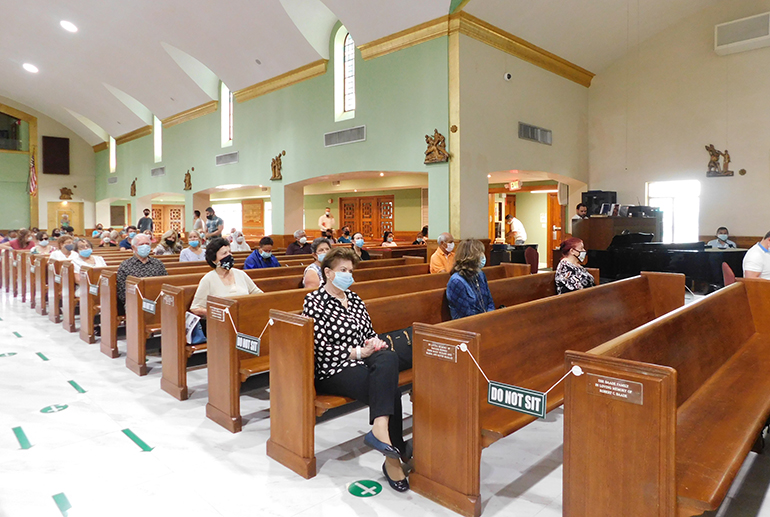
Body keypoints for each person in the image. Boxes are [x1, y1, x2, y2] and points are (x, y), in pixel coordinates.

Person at [301, 247, 409, 492]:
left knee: (389, 358)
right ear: (328, 273)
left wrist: (374, 343)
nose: (348, 275)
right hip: (334, 367)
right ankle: (394, 457)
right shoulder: (314, 301)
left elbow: (368, 333)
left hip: (363, 358)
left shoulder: (355, 299)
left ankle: (380, 430)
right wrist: (360, 352)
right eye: (342, 270)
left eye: (350, 271)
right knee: (388, 387)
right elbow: (320, 348)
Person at [189, 238, 262, 317]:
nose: (229, 255)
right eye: (224, 253)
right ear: (214, 260)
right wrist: (216, 313)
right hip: (221, 323)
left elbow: (259, 295)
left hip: (246, 317)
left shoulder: (241, 274)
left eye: (230, 252)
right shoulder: (208, 279)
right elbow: (195, 308)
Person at [116, 234, 168, 311]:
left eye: (147, 244)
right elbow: (122, 291)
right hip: (134, 303)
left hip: (156, 301)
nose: (145, 246)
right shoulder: (125, 265)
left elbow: (166, 283)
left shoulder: (158, 263)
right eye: (141, 244)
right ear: (134, 247)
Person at [446, 239, 495, 319]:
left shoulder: (480, 275)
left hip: (484, 320)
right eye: (480, 253)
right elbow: (466, 314)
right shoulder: (457, 281)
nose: (483, 256)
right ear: (471, 257)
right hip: (467, 326)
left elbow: (489, 302)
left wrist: (490, 317)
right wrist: (486, 321)